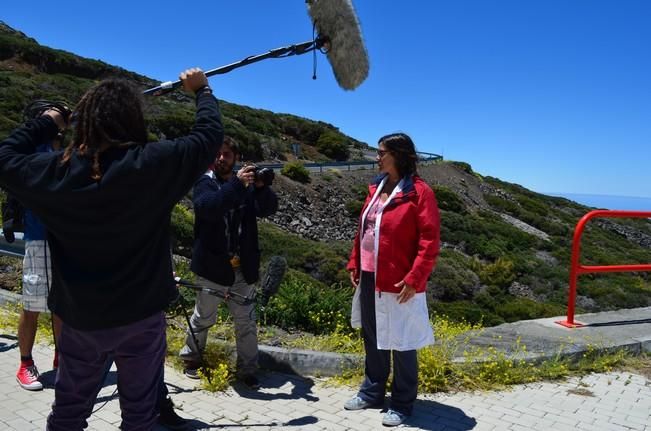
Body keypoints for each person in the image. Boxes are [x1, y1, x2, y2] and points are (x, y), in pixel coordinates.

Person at [0, 68, 223, 430]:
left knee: (69, 414)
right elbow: (209, 136)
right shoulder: (154, 163)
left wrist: (49, 121)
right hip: (142, 317)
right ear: (134, 119)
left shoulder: (55, 172)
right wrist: (202, 91)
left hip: (80, 319)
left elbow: (6, 156)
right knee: (139, 415)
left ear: (82, 123)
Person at [344, 133, 440, 427]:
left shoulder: (420, 192)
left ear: (398, 154)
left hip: (400, 281)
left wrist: (415, 277)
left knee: (402, 342)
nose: (377, 157)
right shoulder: (376, 187)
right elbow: (365, 228)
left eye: (381, 152)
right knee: (372, 338)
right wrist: (355, 262)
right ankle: (372, 393)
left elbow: (429, 240)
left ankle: (402, 403)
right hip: (371, 276)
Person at [179, 136, 278, 389]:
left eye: (227, 155)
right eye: (218, 154)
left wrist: (261, 187)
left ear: (235, 158)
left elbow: (266, 209)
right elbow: (207, 207)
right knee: (203, 317)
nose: (222, 158)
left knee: (246, 321)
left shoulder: (244, 186)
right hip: (212, 265)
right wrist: (237, 184)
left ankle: (247, 369)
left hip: (242, 267)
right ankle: (191, 359)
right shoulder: (205, 182)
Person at [12, 139, 63, 391]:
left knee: (62, 307)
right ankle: (25, 363)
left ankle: (61, 360)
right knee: (32, 305)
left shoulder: (65, 151)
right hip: (39, 237)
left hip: (65, 239)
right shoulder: (32, 150)